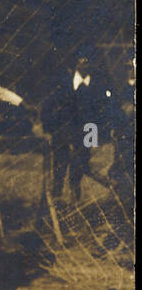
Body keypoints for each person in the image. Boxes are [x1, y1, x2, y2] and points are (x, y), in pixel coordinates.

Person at [41, 46, 118, 201]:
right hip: (63, 131)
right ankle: (56, 198)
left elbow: (103, 112)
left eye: (88, 62)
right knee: (60, 164)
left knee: (81, 165)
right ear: (76, 64)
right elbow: (48, 106)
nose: (85, 65)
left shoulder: (98, 85)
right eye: (81, 62)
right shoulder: (64, 83)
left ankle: (75, 197)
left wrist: (96, 138)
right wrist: (48, 129)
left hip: (88, 131)